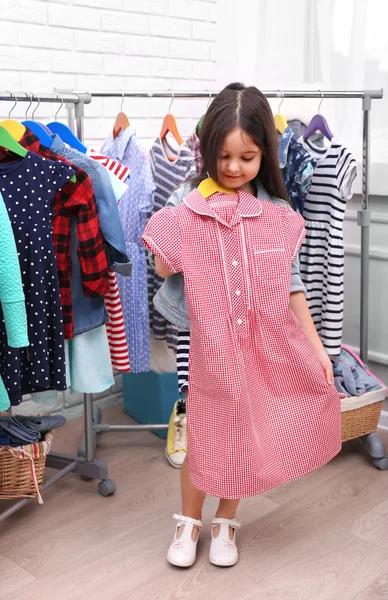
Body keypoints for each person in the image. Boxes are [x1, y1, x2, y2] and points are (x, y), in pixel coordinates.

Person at [142, 83, 341, 569]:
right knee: (205, 430)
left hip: (262, 342)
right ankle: (189, 520)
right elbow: (165, 267)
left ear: (264, 154)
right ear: (206, 149)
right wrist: (178, 231)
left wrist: (316, 349)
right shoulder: (186, 198)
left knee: (246, 430)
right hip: (205, 341)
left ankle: (226, 519)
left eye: (246, 157)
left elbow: (291, 285)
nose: (233, 168)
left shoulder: (276, 212)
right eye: (223, 156)